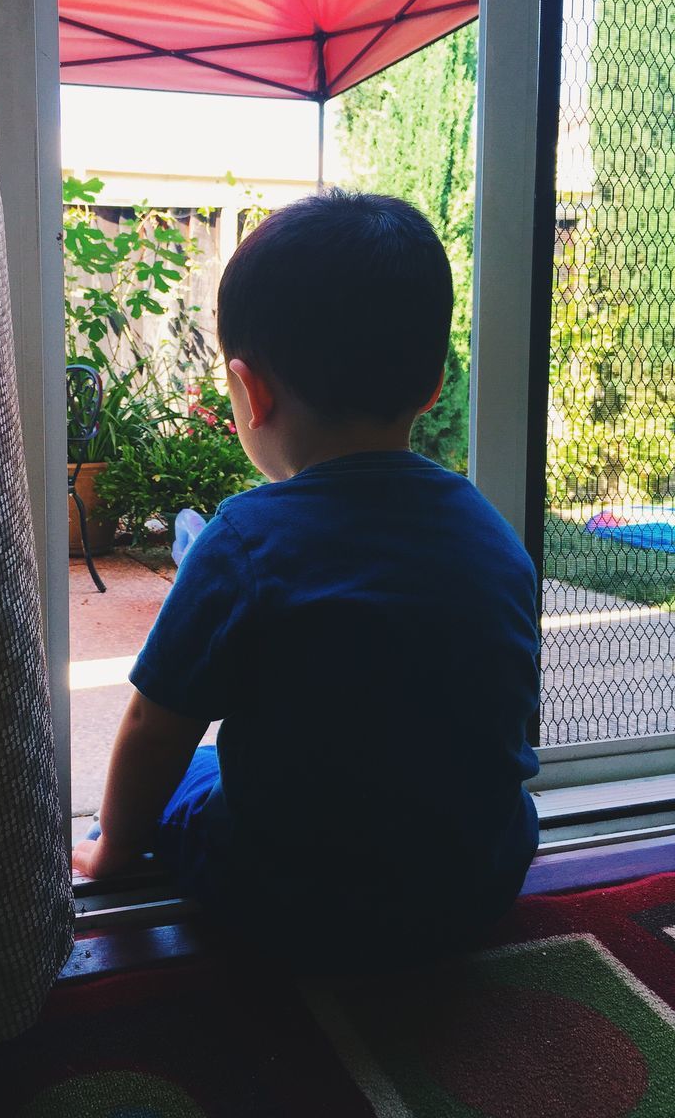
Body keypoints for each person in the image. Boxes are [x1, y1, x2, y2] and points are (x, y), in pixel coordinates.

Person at [73, 188, 540, 973]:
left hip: (295, 901)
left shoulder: (243, 540)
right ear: (430, 387)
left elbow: (155, 728)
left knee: (195, 769)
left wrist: (113, 846)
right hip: (473, 884)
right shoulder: (492, 535)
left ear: (251, 392)